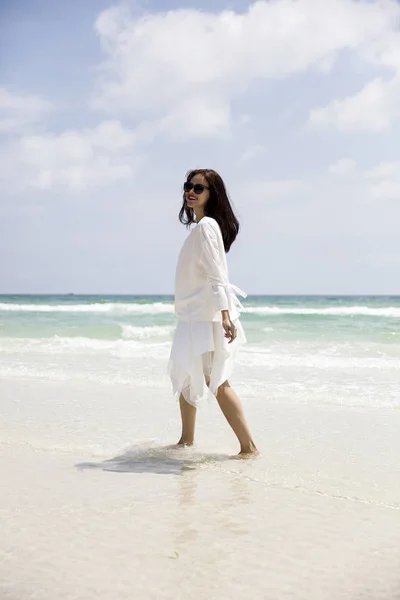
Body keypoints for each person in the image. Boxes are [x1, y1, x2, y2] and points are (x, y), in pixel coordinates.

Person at [168, 168, 258, 456]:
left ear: (212, 194)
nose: (191, 192)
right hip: (193, 315)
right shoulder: (202, 227)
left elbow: (217, 275)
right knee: (187, 376)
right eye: (188, 186)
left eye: (199, 188)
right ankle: (186, 441)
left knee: (216, 381)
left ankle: (249, 447)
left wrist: (225, 315)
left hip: (204, 317)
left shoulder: (207, 226)